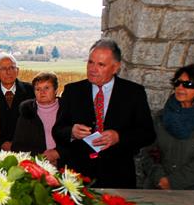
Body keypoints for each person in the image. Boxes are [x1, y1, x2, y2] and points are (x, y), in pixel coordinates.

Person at [53, 38, 155, 188]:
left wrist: (118, 137)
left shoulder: (133, 93)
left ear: (115, 67)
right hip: (78, 176)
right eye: (90, 62)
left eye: (101, 64)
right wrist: (72, 132)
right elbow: (58, 130)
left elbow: (147, 134)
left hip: (118, 175)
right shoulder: (72, 91)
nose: (93, 69)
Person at [144, 64, 194, 190]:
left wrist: (172, 182)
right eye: (177, 83)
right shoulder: (161, 117)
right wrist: (159, 178)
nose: (180, 87)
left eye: (188, 85)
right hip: (156, 189)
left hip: (192, 192)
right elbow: (148, 151)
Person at [11, 72, 64, 166]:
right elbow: (17, 147)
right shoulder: (27, 112)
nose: (42, 92)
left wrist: (58, 154)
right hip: (36, 165)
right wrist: (41, 157)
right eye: (38, 89)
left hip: (66, 164)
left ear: (56, 90)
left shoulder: (67, 110)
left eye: (47, 88)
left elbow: (76, 142)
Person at [0, 53, 34, 150]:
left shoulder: (31, 90)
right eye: (3, 69)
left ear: (17, 70)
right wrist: (1, 143)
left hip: (25, 147)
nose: (8, 72)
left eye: (12, 68)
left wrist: (17, 144)